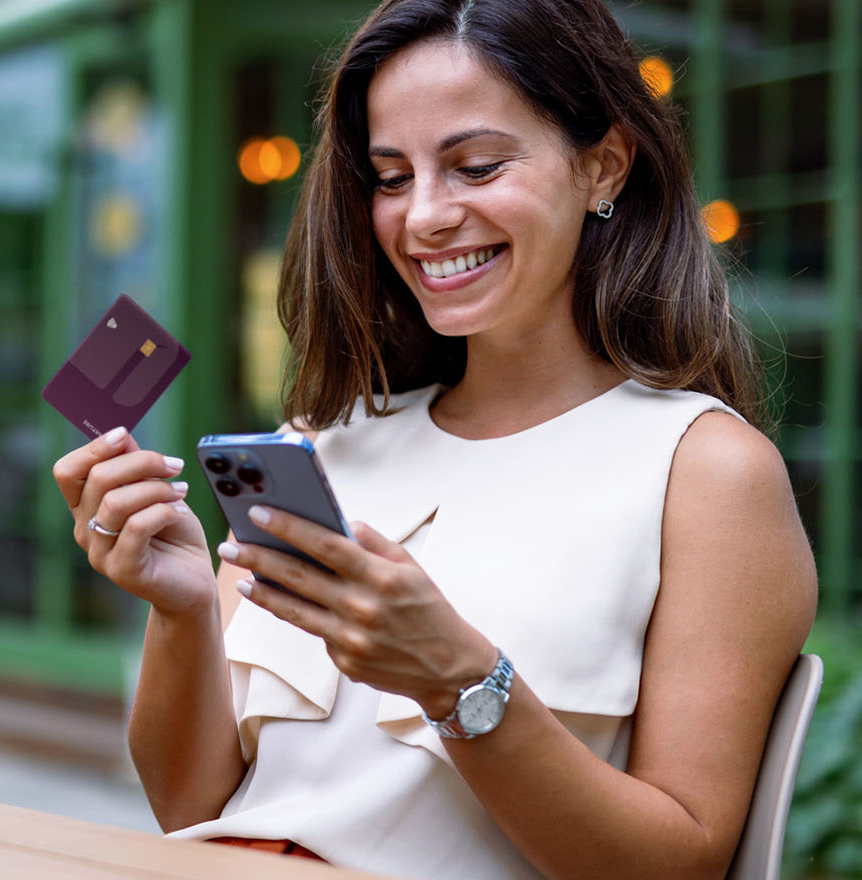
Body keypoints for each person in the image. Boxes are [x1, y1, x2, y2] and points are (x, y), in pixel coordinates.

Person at [50, 0, 817, 877]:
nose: (423, 218)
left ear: (603, 166)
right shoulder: (322, 444)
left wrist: (459, 683)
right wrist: (181, 610)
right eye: (390, 177)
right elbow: (194, 810)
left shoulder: (706, 473)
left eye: (476, 166)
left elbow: (680, 863)